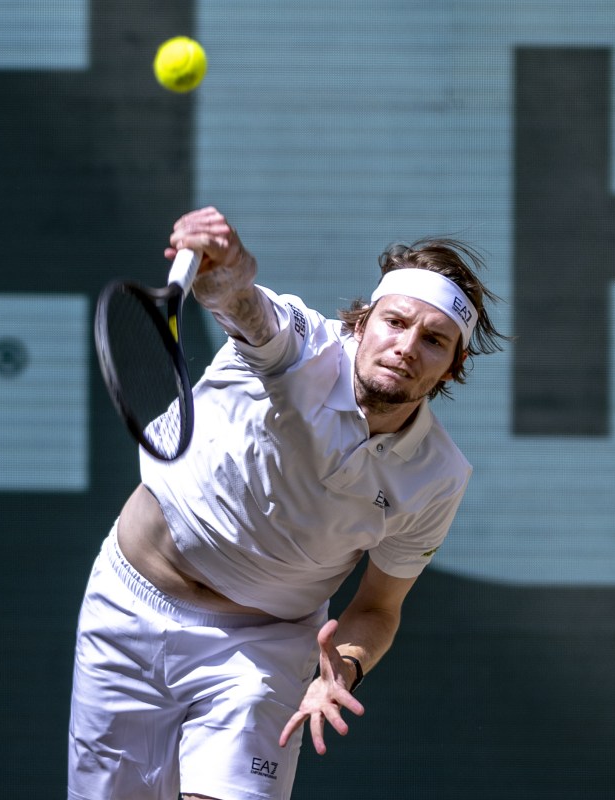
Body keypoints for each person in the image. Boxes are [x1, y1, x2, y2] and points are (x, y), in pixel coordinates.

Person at [68, 207, 507, 800]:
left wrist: (343, 667)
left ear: (454, 365)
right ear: (363, 321)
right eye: (395, 322)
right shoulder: (301, 346)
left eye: (434, 340)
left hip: (263, 649)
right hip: (126, 613)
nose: (406, 347)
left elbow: (379, 608)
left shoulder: (438, 477)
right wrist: (229, 268)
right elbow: (242, 305)